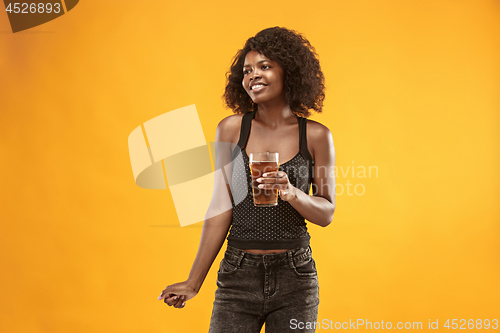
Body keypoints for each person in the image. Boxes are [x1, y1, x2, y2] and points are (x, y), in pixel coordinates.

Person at [157, 27, 336, 332]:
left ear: (288, 72)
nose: (254, 75)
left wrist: (291, 192)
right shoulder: (230, 130)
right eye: (247, 70)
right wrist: (193, 281)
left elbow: (326, 213)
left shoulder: (317, 135)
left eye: (265, 66)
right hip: (237, 274)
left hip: (296, 276)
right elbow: (220, 205)